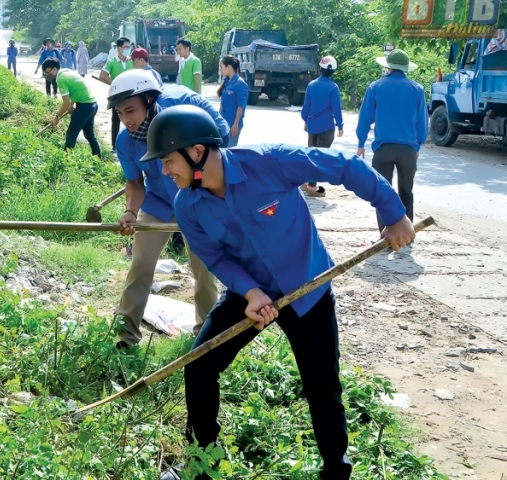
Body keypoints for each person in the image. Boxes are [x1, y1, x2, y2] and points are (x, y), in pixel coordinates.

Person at [141, 105, 416, 480]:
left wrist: (393, 212)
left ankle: (336, 470)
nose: (165, 171)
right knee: (200, 365)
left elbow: (344, 166)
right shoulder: (187, 205)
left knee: (322, 386)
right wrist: (250, 292)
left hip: (308, 289)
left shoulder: (268, 162)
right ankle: (202, 463)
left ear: (197, 152)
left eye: (169, 160)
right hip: (249, 294)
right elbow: (216, 257)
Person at [106, 70, 230, 347]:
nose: (126, 120)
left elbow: (217, 160)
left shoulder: (184, 125)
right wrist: (130, 212)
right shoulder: (125, 142)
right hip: (158, 203)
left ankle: (205, 337)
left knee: (204, 270)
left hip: (197, 202)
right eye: (119, 114)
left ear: (150, 101)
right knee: (140, 265)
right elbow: (135, 183)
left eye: (130, 111)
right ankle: (126, 335)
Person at [355, 49, 428, 231]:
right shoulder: (417, 89)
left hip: (383, 149)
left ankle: (385, 233)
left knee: (383, 193)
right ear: (405, 68)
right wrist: (418, 145)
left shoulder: (375, 87)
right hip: (408, 151)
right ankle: (407, 233)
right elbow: (422, 123)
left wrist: (361, 143)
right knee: (406, 192)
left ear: (388, 67)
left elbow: (365, 118)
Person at [300, 55, 344, 198]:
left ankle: (306, 182)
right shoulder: (333, 87)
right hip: (326, 128)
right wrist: (340, 125)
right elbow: (336, 109)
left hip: (312, 127)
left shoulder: (311, 85)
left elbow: (306, 108)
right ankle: (312, 187)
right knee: (320, 158)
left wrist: (306, 121)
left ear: (320, 69)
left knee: (311, 154)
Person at [43, 58, 102, 158]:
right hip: (92, 105)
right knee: (89, 135)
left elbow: (65, 103)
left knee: (71, 134)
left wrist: (57, 117)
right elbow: (76, 88)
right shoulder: (67, 71)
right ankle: (99, 159)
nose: (46, 75)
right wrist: (72, 104)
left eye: (47, 72)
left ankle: (65, 161)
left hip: (84, 107)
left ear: (54, 69)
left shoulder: (61, 79)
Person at [99, 37, 135, 150]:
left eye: (129, 47)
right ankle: (115, 145)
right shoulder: (112, 62)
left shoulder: (131, 61)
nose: (128, 49)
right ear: (119, 48)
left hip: (131, 95)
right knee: (116, 119)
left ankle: (132, 144)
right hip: (117, 95)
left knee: (132, 119)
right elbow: (102, 75)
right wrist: (115, 84)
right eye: (126, 47)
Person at [216, 56, 248, 147]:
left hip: (232, 123)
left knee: (229, 151)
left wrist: (236, 124)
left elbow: (241, 106)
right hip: (223, 123)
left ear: (229, 67)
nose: (221, 70)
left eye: (222, 67)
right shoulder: (226, 82)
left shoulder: (240, 84)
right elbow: (222, 104)